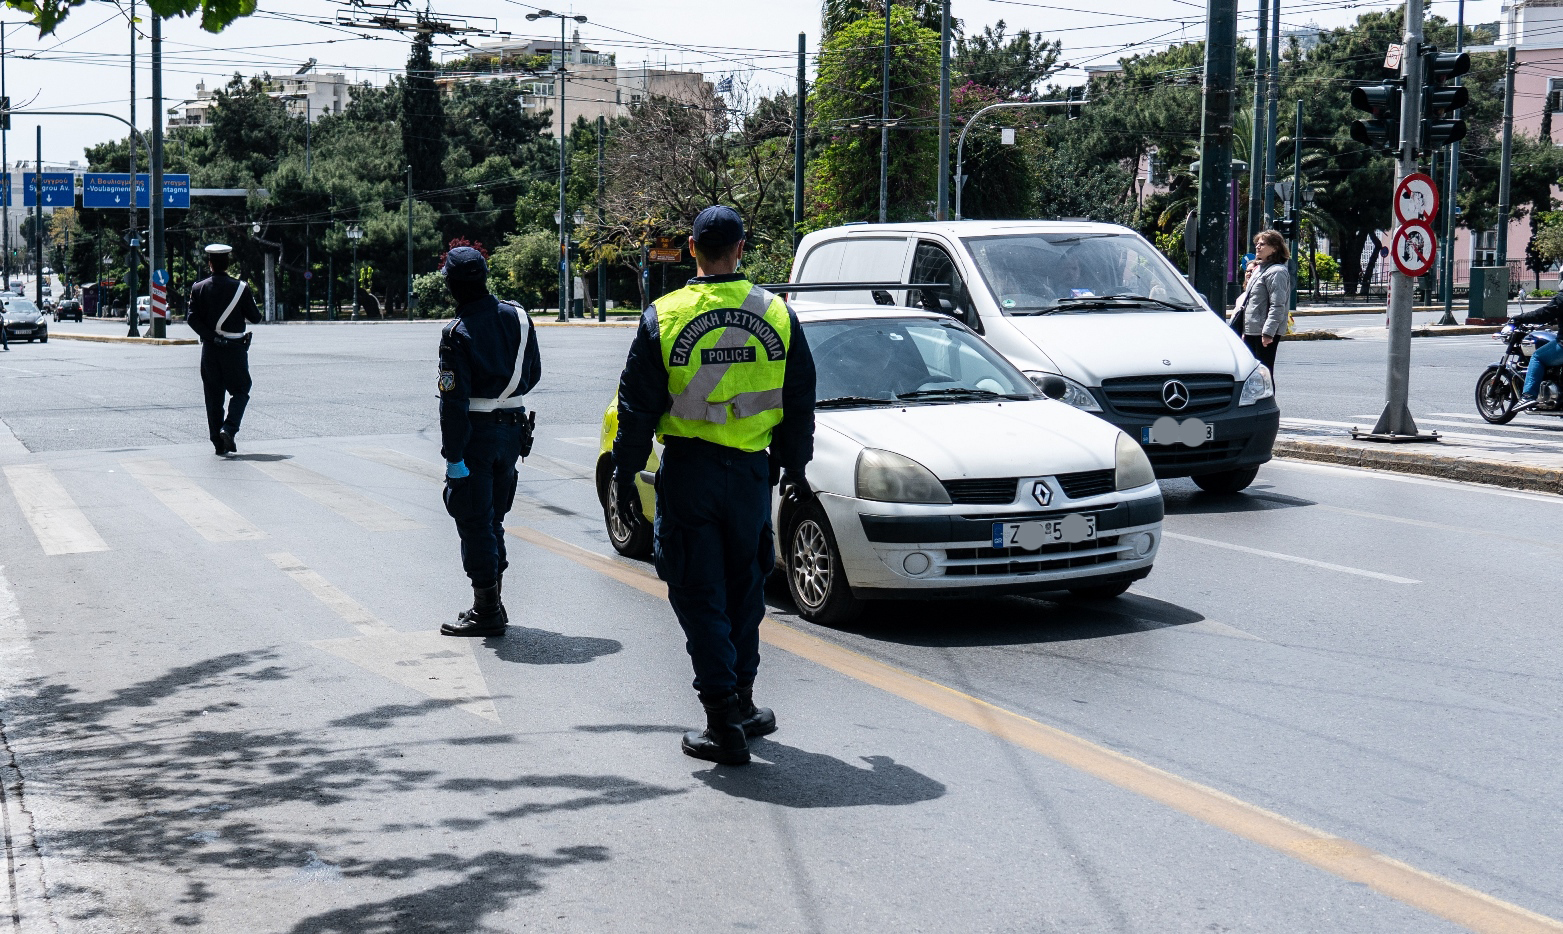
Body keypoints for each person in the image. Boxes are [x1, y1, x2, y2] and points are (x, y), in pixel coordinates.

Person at [612, 205, 816, 766]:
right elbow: (800, 401)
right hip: (751, 475)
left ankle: (723, 718)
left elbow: (636, 407)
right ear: (742, 247)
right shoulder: (777, 313)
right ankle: (743, 703)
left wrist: (626, 473)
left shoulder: (665, 314)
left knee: (700, 593)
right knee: (744, 591)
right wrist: (794, 471)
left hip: (691, 475)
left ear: (692, 249)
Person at [437, 246, 542, 638]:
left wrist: (453, 457)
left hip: (475, 436)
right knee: (492, 517)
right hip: (512, 430)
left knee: (474, 520)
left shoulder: (456, 332)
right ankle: (494, 600)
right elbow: (533, 373)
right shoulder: (519, 316)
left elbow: (453, 403)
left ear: (450, 284)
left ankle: (486, 611)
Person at [186, 244, 263, 455]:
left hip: (210, 349)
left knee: (213, 396)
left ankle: (218, 444)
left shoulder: (198, 288)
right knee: (240, 390)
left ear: (209, 264)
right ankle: (228, 429)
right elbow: (256, 317)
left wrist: (212, 337)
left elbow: (192, 319)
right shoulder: (241, 288)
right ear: (228, 263)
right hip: (235, 348)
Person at [1230, 230, 1290, 379]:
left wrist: (1268, 333)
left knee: (1264, 374)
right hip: (1251, 330)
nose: (1257, 246)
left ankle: (1267, 402)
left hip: (1263, 332)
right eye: (1257, 243)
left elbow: (1278, 305)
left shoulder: (1277, 272)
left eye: (1262, 244)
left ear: (1275, 248)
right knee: (1251, 374)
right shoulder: (1259, 270)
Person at [1511, 295, 1563, 411]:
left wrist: (1521, 318)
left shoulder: (1561, 298)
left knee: (1537, 357)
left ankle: (1528, 396)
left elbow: (1543, 314)